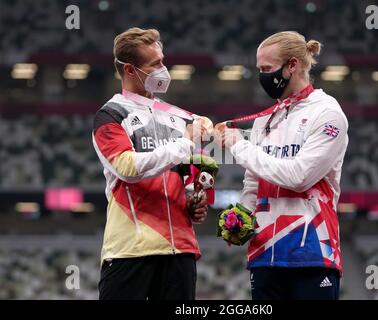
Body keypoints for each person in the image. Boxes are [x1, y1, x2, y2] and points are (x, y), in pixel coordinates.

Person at [215, 31, 349, 300]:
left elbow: (299, 176)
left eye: (267, 68)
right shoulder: (264, 121)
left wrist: (237, 145)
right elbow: (253, 184)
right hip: (264, 254)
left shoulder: (327, 113)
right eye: (259, 69)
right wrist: (240, 216)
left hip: (312, 252)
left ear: (292, 66)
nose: (262, 76)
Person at [92, 27, 209, 300]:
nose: (163, 69)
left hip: (180, 250)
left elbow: (182, 175)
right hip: (131, 251)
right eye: (155, 64)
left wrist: (192, 199)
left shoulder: (175, 116)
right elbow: (128, 168)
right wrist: (186, 143)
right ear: (130, 70)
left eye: (163, 61)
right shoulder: (110, 115)